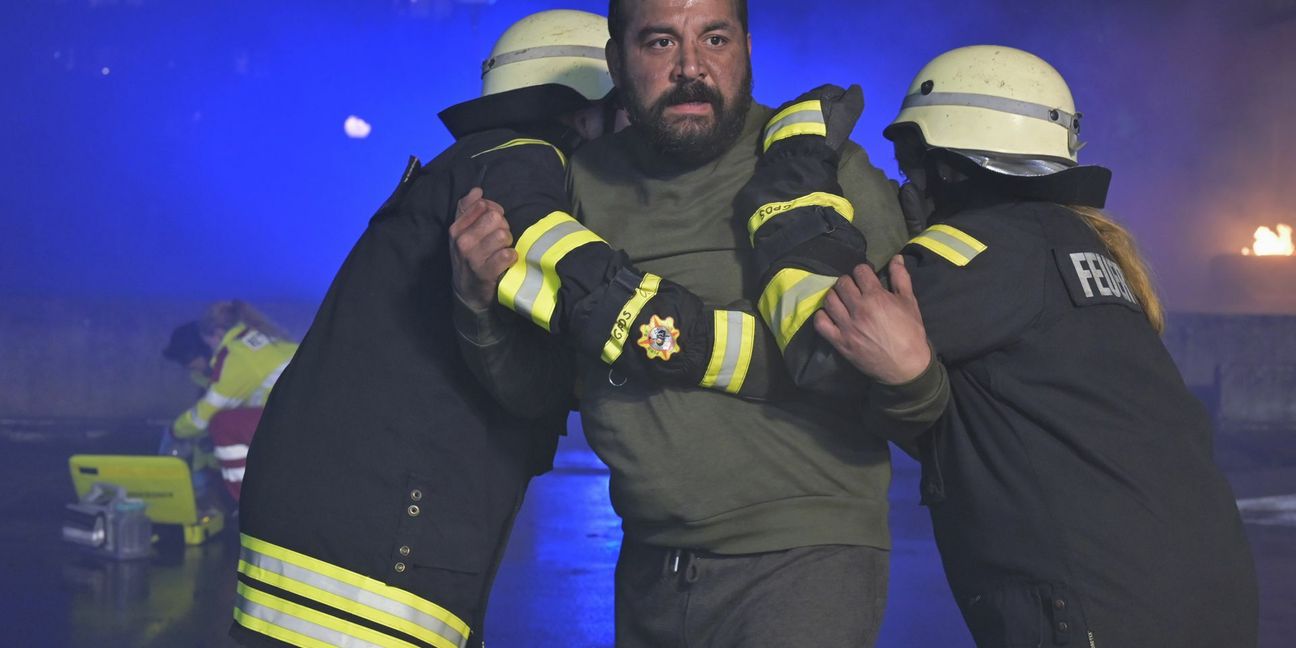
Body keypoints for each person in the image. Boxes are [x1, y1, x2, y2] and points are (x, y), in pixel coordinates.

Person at [452, 1, 946, 645]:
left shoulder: (824, 170)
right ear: (615, 61)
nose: (691, 67)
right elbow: (536, 391)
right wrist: (477, 301)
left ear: (746, 48)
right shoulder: (578, 188)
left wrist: (914, 382)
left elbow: (913, 389)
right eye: (659, 43)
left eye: (714, 38)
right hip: (650, 569)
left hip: (805, 563)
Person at [817, 45, 1259, 647]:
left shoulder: (983, 252)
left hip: (1103, 608)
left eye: (910, 163)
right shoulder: (1082, 247)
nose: (905, 182)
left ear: (944, 164)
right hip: (1202, 595)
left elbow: (823, 348)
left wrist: (794, 185)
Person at [231, 10, 646, 648]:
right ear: (587, 106)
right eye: (631, 108)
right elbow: (569, 269)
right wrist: (682, 330)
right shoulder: (524, 161)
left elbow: (527, 379)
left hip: (326, 543)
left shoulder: (469, 163)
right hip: (371, 563)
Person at [165, 300, 297, 502]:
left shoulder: (236, 355)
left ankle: (254, 504)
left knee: (223, 424)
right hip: (311, 412)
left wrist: (174, 431)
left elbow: (203, 418)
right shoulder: (258, 339)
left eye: (208, 342)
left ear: (217, 334)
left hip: (303, 418)